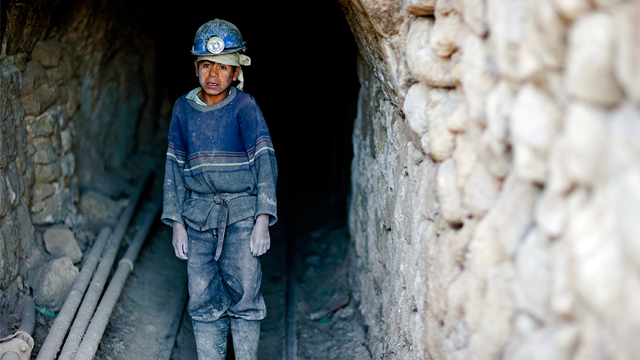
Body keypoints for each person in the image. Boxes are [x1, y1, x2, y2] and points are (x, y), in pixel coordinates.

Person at [161, 19, 277, 360]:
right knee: (201, 295)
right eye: (207, 64)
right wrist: (177, 223)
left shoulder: (245, 107)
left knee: (245, 292)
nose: (214, 74)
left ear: (236, 72)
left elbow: (264, 162)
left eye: (224, 67)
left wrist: (262, 220)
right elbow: (174, 166)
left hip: (241, 214)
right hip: (197, 218)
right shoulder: (183, 109)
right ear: (196, 68)